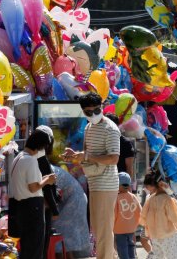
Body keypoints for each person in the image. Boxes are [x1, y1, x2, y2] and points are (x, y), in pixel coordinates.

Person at [61, 92, 121, 259]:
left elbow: (113, 158)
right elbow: (89, 154)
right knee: (98, 228)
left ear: (101, 107)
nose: (93, 114)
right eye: (89, 112)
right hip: (94, 182)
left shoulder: (110, 129)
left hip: (106, 183)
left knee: (102, 229)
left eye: (97, 110)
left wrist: (85, 156)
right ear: (83, 112)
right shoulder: (89, 127)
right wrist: (76, 155)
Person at [9, 129, 57, 259]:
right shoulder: (30, 161)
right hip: (33, 207)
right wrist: (48, 180)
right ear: (40, 146)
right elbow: (33, 187)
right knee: (35, 248)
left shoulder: (19, 157)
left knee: (27, 247)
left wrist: (44, 178)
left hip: (21, 206)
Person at [139, 170, 177, 259]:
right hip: (169, 236)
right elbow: (175, 217)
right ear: (163, 184)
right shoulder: (168, 199)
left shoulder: (150, 200)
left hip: (155, 237)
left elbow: (144, 217)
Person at [52, 166, 91, 258]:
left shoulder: (50, 172)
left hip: (73, 201)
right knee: (66, 240)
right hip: (75, 199)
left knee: (61, 236)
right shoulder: (52, 169)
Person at [35, 125, 60, 258]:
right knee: (43, 243)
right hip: (44, 207)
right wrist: (55, 209)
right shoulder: (42, 160)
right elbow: (47, 188)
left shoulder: (29, 156)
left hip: (34, 205)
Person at [114, 172, 142, 259]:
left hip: (119, 229)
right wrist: (136, 223)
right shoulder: (133, 196)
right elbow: (140, 212)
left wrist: (111, 226)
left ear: (118, 185)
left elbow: (113, 214)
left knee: (122, 249)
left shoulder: (116, 198)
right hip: (131, 229)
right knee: (131, 246)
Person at [106, 113, 136, 185]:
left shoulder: (125, 143)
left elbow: (129, 167)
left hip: (119, 183)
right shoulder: (103, 141)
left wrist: (127, 186)